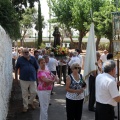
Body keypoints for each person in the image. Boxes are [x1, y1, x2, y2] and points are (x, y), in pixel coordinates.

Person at [15, 48, 39, 112]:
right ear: (22, 53)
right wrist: (16, 78)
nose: (26, 53)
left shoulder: (33, 58)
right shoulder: (20, 59)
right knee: (24, 94)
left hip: (32, 78)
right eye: (25, 52)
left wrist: (37, 76)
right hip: (23, 79)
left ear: (29, 52)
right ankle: (25, 106)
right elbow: (16, 68)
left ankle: (30, 102)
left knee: (34, 92)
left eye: (27, 52)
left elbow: (37, 68)